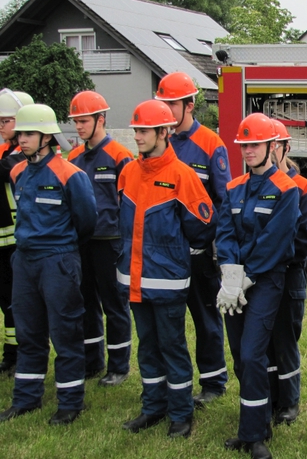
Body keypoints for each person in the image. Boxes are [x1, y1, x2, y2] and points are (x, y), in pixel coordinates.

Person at [117, 100, 215, 438]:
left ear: (163, 132)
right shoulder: (128, 173)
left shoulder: (182, 176)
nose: (137, 137)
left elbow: (203, 227)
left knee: (172, 347)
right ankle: (153, 407)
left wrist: (173, 254)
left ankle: (181, 414)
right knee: (147, 346)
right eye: (136, 130)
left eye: (144, 131)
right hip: (134, 281)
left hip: (168, 282)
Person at [0, 104, 97, 425]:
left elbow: (86, 221)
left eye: (29, 134)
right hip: (25, 261)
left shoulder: (71, 175)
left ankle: (70, 402)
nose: (21, 139)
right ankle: (26, 399)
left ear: (47, 137)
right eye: (20, 134)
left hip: (58, 260)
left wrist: (62, 249)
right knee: (28, 332)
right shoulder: (17, 172)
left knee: (66, 332)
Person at [216, 113, 299, 459]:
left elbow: (275, 241)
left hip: (265, 282)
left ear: (271, 146)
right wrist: (230, 274)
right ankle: (258, 424)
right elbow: (225, 233)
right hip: (235, 281)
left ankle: (254, 436)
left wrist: (246, 277)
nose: (248, 151)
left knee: (252, 354)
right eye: (244, 145)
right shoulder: (233, 187)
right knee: (241, 357)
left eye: (255, 145)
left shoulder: (287, 189)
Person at [155, 71, 231, 406]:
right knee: (166, 322)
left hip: (200, 252)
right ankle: (171, 382)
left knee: (206, 318)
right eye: (163, 103)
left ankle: (213, 382)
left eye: (172, 104)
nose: (167, 110)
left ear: (189, 105)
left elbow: (223, 200)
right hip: (165, 253)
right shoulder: (159, 142)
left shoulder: (211, 144)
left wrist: (217, 247)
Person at [68, 91, 134, 386]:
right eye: (76, 121)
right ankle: (92, 362)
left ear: (101, 119)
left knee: (114, 303)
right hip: (81, 241)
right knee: (85, 302)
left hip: (111, 242)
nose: (78, 127)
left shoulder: (120, 155)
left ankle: (119, 366)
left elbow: (130, 202)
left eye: (83, 121)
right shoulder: (73, 157)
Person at [266, 120, 307, 426]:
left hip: (288, 274)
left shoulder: (301, 187)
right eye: (265, 145)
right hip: (262, 277)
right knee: (265, 340)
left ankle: (289, 401)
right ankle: (270, 397)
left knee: (285, 339)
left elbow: (304, 240)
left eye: (274, 145)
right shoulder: (254, 184)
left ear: (286, 148)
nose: (270, 151)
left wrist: (270, 258)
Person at [0, 89, 33, 376]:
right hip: (5, 239)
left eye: (5, 121)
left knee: (16, 302)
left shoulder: (22, 156)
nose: (1, 126)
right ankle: (11, 354)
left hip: (15, 241)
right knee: (6, 301)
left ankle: (20, 354)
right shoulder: (7, 152)